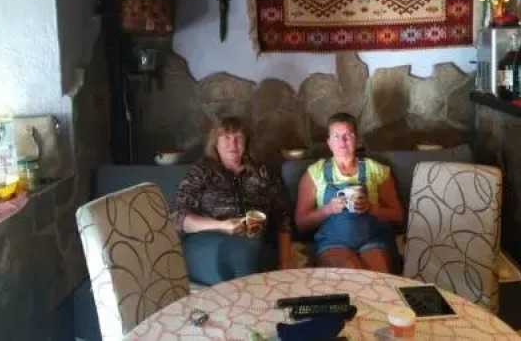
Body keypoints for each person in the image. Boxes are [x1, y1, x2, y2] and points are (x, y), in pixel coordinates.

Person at [171, 117, 292, 285]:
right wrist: (221, 225)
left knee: (250, 248)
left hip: (254, 243)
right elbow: (178, 217)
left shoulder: (262, 173)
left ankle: (244, 290)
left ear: (246, 142)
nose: (232, 144)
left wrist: (285, 262)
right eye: (226, 137)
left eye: (238, 138)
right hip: (208, 241)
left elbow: (283, 218)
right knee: (239, 252)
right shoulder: (201, 172)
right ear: (216, 143)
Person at [295, 112, 404, 272]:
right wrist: (328, 209)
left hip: (374, 239)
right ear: (329, 143)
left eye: (348, 135)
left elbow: (398, 216)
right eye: (336, 136)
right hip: (333, 242)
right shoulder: (315, 173)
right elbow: (301, 224)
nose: (342, 141)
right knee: (348, 274)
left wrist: (371, 208)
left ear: (357, 140)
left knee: (375, 279)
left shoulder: (377, 170)